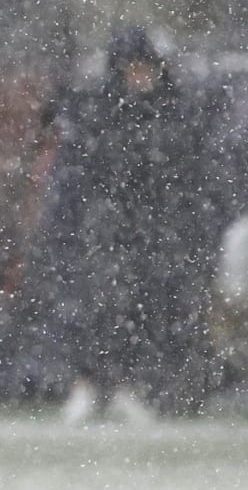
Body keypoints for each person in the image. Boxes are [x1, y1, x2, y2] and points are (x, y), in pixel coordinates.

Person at [37, 28, 226, 421]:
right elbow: (78, 177)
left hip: (155, 234)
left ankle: (134, 387)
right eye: (132, 70)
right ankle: (90, 383)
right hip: (107, 232)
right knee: (96, 306)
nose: (140, 78)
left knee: (154, 310)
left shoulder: (173, 112)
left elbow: (188, 177)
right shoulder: (98, 114)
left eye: (145, 69)